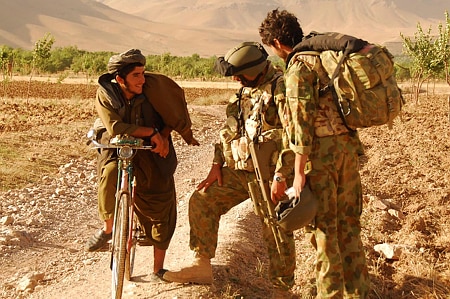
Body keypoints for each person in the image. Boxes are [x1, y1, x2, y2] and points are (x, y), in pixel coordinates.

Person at [163, 42, 298, 290]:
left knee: (276, 232)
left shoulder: (282, 89)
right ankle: (201, 265)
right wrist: (216, 164)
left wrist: (282, 174)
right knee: (203, 199)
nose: (235, 78)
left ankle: (283, 289)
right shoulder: (243, 93)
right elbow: (228, 131)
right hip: (239, 171)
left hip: (268, 175)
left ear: (257, 68)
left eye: (239, 73)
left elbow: (294, 136)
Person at [259, 9, 370, 298]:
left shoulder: (298, 68)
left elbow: (300, 127)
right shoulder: (324, 56)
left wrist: (297, 176)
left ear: (277, 43)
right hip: (347, 149)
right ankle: (357, 293)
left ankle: (330, 294)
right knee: (349, 229)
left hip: (321, 157)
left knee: (325, 235)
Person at [84, 49, 198, 280]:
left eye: (143, 74)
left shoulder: (154, 91)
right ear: (120, 79)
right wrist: (151, 132)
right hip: (118, 142)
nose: (142, 80)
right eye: (136, 75)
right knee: (110, 174)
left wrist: (162, 136)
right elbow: (114, 127)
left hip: (152, 146)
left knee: (162, 196)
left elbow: (171, 118)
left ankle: (158, 269)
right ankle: (108, 229)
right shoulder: (106, 93)